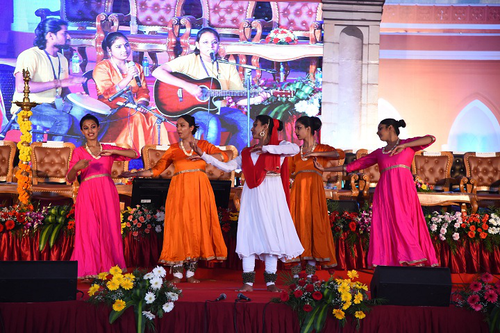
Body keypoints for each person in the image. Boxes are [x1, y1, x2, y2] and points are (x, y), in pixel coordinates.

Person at [192, 114, 304, 292]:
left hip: (273, 195)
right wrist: (203, 155)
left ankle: (270, 281)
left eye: (255, 125)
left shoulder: (280, 147)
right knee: (250, 233)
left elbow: (295, 149)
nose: (252, 129)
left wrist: (266, 149)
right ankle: (248, 282)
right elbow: (228, 166)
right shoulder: (246, 152)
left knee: (272, 234)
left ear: (265, 127)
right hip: (252, 195)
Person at [314, 118, 439, 268]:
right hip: (385, 192)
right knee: (387, 224)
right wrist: (325, 169)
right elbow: (353, 166)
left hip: (404, 190)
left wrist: (404, 145)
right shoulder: (380, 152)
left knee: (404, 220)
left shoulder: (408, 146)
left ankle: (413, 257)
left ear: (391, 128)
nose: (378, 132)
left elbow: (431, 138)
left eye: (381, 129)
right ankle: (393, 260)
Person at [121, 115, 227, 283]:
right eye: (177, 126)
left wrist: (204, 156)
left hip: (200, 190)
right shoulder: (173, 149)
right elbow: (155, 171)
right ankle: (177, 273)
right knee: (179, 226)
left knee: (197, 226)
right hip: (179, 190)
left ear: (192, 128)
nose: (178, 129)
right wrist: (136, 174)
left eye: (182, 125)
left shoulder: (203, 145)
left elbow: (224, 157)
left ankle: (191, 273)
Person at [152, 27, 251, 151]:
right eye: (205, 42)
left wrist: (257, 99)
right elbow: (158, 72)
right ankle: (208, 163)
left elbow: (239, 99)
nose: (211, 45)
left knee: (248, 124)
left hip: (219, 109)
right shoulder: (189, 60)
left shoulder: (227, 66)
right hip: (193, 110)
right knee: (213, 123)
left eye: (214, 42)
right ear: (197, 45)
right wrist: (187, 86)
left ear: (218, 45)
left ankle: (230, 159)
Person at [67, 114, 138, 278]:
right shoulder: (78, 152)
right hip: (87, 191)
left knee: (108, 227)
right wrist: (76, 167)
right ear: (82, 132)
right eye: (86, 128)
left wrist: (112, 151)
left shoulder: (107, 149)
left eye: (93, 127)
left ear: (98, 128)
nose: (90, 130)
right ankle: (89, 268)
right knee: (89, 228)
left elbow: (134, 154)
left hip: (107, 191)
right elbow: (70, 178)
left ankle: (109, 266)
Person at [12, 18, 85, 143]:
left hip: (52, 107)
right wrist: (59, 83)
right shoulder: (30, 55)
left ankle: (68, 159)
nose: (68, 36)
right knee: (62, 119)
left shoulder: (62, 59)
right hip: (28, 107)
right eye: (64, 33)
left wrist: (76, 98)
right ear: (50, 35)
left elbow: (63, 90)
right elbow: (21, 87)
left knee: (84, 121)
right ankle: (49, 158)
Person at [93, 32, 168, 152]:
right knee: (136, 117)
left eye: (126, 45)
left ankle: (155, 155)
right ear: (109, 50)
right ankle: (134, 156)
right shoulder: (102, 67)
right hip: (111, 105)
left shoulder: (136, 67)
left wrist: (141, 104)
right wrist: (128, 78)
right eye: (118, 47)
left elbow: (143, 91)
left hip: (134, 104)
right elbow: (107, 94)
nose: (124, 49)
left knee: (155, 117)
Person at [288, 116, 338, 278]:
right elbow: (288, 171)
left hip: (314, 193)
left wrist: (315, 152)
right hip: (298, 194)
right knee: (297, 225)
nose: (296, 132)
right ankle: (295, 272)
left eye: (299, 128)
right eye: (296, 128)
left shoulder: (322, 149)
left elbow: (339, 153)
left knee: (314, 224)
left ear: (309, 129)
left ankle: (310, 272)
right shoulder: (296, 151)